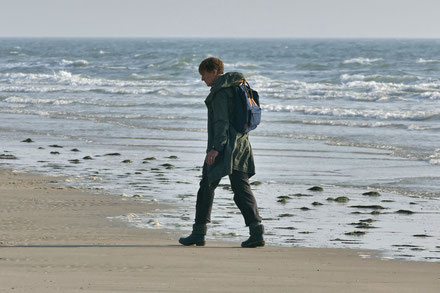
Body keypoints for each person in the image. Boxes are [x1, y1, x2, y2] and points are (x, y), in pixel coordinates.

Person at [179, 57, 265, 248]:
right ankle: (256, 231)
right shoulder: (238, 85)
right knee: (241, 188)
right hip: (242, 145)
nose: (203, 79)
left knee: (206, 186)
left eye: (204, 75)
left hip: (224, 147)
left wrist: (215, 149)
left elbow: (221, 123)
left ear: (215, 72)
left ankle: (198, 233)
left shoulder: (220, 92)